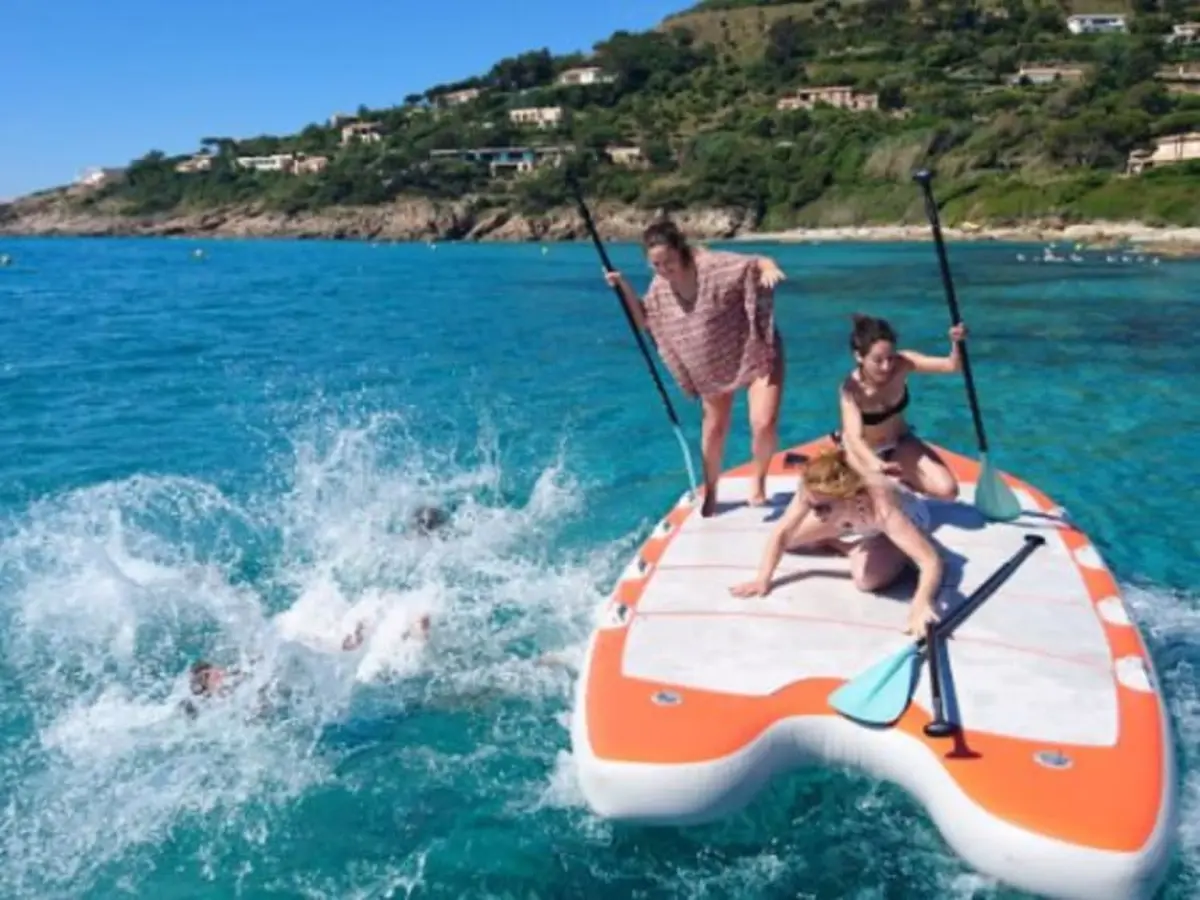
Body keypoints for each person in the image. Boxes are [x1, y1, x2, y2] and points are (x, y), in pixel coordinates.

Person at [604, 220, 788, 516]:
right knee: (714, 428)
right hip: (713, 364)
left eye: (669, 261)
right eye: (656, 264)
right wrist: (623, 286)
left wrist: (768, 269)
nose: (664, 269)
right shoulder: (660, 287)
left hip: (754, 346)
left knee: (763, 422)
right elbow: (644, 320)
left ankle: (759, 481)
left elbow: (756, 262)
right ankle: (711, 490)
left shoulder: (713, 267)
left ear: (682, 251)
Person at [729, 448, 942, 634]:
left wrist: (921, 603)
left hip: (906, 517)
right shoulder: (815, 491)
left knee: (866, 579)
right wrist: (762, 579)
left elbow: (930, 561)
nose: (814, 513)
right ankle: (848, 545)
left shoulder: (883, 508)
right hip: (850, 516)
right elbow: (782, 533)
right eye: (811, 506)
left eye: (821, 508)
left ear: (848, 497)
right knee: (791, 541)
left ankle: (898, 551)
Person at [181, 615, 431, 719]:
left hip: (300, 684)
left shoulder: (237, 683)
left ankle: (375, 641)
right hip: (302, 689)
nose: (219, 672)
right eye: (211, 674)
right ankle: (400, 639)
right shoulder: (233, 695)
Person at [836, 314, 966, 501]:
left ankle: (902, 481)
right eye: (877, 360)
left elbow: (951, 366)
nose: (886, 366)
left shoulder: (903, 363)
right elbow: (855, 438)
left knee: (948, 491)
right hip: (866, 453)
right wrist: (877, 465)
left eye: (890, 357)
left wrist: (957, 343)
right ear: (859, 356)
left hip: (899, 442)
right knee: (881, 506)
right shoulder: (851, 389)